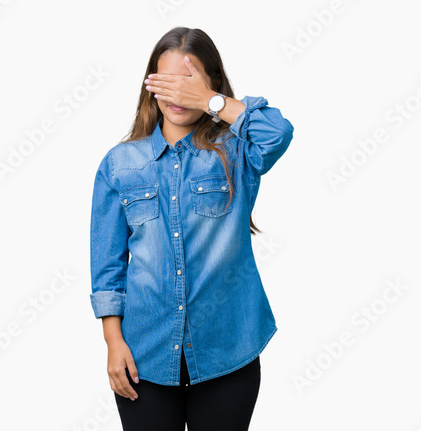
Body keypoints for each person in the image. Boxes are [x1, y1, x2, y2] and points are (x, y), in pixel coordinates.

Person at [89, 26, 294, 431]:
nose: (177, 94)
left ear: (212, 82)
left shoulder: (237, 151)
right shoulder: (120, 163)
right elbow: (108, 266)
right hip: (143, 357)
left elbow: (277, 132)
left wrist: (210, 101)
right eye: (167, 81)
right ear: (151, 86)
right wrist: (113, 343)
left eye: (189, 80)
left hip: (228, 351)